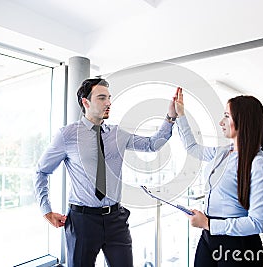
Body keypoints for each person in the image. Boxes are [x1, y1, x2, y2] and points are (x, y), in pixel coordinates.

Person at [33, 78, 178, 267]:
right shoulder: (67, 135)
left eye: (109, 98)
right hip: (82, 221)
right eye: (102, 98)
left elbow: (152, 145)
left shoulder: (117, 134)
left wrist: (170, 117)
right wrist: (46, 210)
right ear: (86, 102)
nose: (109, 103)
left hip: (116, 221)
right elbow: (41, 171)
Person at [173, 87, 263, 266]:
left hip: (238, 245)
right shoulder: (223, 152)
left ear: (243, 121)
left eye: (227, 116)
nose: (221, 122)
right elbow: (192, 148)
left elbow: (258, 223)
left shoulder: (259, 164)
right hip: (209, 237)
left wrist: (209, 224)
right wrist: (180, 115)